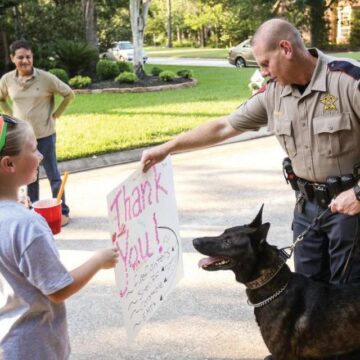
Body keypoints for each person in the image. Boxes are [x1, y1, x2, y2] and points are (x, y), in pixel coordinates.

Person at [141, 19, 360, 360]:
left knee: (348, 313)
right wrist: (168, 147)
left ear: (286, 49)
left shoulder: (346, 80)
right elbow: (223, 126)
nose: (263, 73)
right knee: (310, 309)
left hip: (351, 212)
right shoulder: (274, 93)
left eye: (264, 63)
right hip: (308, 211)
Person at [0, 114, 119, 359]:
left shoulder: (16, 219)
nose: (40, 156)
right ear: (9, 164)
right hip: (33, 348)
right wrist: (98, 260)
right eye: (33, 149)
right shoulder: (26, 225)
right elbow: (57, 289)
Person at [0, 39, 75, 227]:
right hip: (23, 138)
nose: (25, 60)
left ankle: (62, 210)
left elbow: (69, 94)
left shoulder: (46, 78)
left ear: (33, 57)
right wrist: (11, 116)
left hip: (45, 135)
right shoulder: (7, 80)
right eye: (20, 57)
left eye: (28, 56)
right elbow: (1, 99)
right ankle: (33, 211)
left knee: (53, 174)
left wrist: (56, 114)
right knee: (28, 175)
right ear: (12, 59)